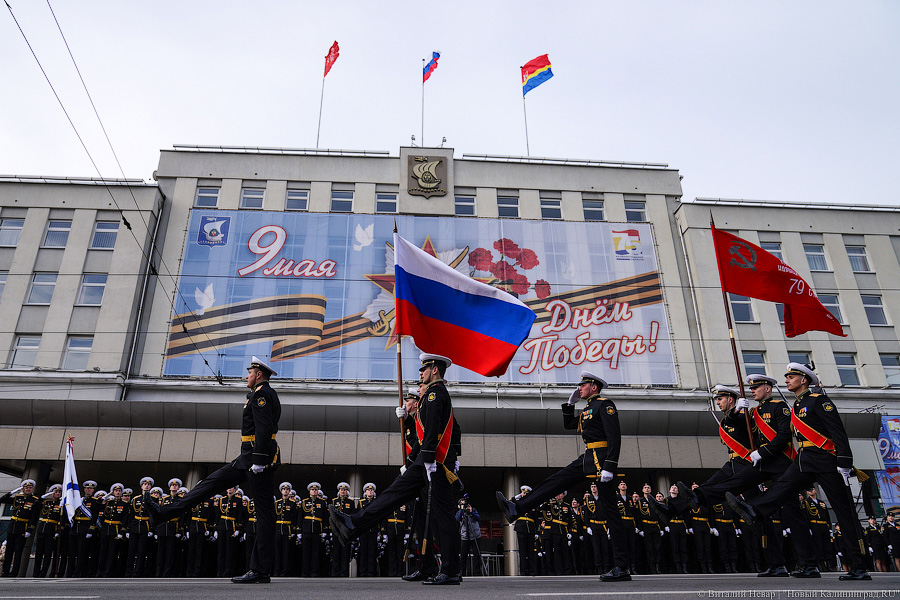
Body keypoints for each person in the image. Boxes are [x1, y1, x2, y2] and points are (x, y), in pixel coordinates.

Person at [727, 363, 872, 581]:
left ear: (803, 380)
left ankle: (859, 567)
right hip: (804, 460)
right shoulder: (797, 405)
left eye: (791, 376)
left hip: (825, 460)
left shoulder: (818, 401)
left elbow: (838, 432)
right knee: (782, 488)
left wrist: (844, 461)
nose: (786, 380)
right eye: (786, 376)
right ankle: (753, 510)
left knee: (845, 512)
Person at [147, 356, 281, 583]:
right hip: (246, 458)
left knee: (265, 515)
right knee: (210, 483)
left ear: (258, 374)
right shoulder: (259, 393)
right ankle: (164, 513)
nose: (246, 376)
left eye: (249, 373)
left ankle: (260, 570)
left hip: (258, 462)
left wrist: (258, 460)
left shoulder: (262, 395)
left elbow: (264, 428)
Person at [330, 353, 461, 585]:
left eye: (425, 369)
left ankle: (450, 570)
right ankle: (354, 523)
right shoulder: (432, 395)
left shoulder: (434, 394)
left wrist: (431, 459)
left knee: (443, 517)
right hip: (426, 461)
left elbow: (433, 430)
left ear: (435, 371)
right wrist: (409, 421)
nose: (421, 373)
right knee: (396, 496)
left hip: (434, 464)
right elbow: (424, 431)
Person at [496, 371, 632, 582]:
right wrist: (570, 405)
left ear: (593, 387)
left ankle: (622, 566)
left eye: (583, 385)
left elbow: (615, 437)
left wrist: (610, 466)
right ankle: (517, 508)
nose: (579, 388)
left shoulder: (605, 405)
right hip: (588, 458)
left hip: (602, 461)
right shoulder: (588, 408)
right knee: (555, 481)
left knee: (611, 513)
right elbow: (570, 425)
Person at [1, 478, 39, 577]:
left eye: (30, 488)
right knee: (9, 551)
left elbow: (34, 517)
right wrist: (11, 493)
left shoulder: (34, 500)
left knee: (18, 552)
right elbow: (2, 500)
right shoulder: (17, 497)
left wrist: (30, 530)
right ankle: (5, 572)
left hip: (23, 528)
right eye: (26, 488)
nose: (28, 489)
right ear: (23, 489)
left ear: (32, 489)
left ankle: (14, 573)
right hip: (12, 527)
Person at [457, 496, 483, 576]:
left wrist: (471, 512)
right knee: (463, 556)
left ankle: (477, 573)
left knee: (477, 554)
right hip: (465, 536)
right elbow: (457, 519)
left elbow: (478, 518)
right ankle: (462, 572)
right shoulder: (460, 512)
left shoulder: (473, 510)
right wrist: (462, 509)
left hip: (475, 536)